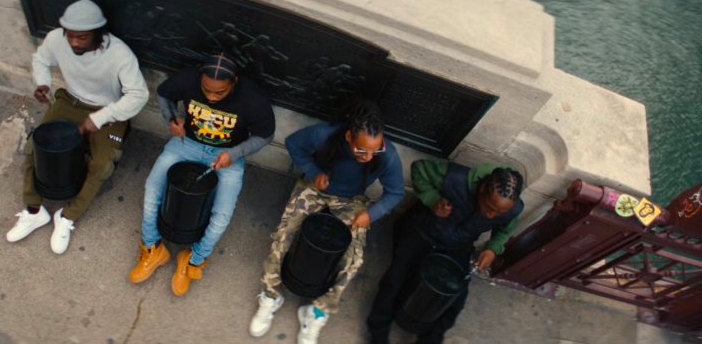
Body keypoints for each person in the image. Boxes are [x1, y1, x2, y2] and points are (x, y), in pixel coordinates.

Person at [248, 101, 404, 344]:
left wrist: (370, 214)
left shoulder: (387, 154)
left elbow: (395, 192)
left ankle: (316, 312)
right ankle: (270, 295)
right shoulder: (324, 135)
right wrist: (313, 172)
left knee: (354, 258)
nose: (369, 156)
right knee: (284, 235)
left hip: (351, 200)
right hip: (315, 188)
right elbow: (293, 144)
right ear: (349, 136)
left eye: (375, 150)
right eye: (362, 150)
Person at [5, 0, 149, 254]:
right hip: (70, 100)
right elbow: (40, 59)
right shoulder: (56, 38)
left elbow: (139, 95)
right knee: (35, 148)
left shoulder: (119, 53)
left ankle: (67, 216)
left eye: (81, 38)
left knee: (101, 164)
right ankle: (34, 211)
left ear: (98, 33)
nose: (73, 42)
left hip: (108, 110)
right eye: (70, 36)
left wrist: (102, 117)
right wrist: (43, 83)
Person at [128, 53, 275, 296]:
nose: (211, 96)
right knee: (153, 190)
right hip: (187, 143)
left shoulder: (252, 97)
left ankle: (194, 259)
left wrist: (236, 153)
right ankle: (153, 248)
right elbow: (164, 93)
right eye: (206, 90)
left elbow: (265, 135)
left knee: (221, 214)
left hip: (228, 155)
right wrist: (171, 118)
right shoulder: (188, 78)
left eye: (219, 92)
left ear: (234, 82)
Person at [366, 160, 525, 344]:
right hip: (422, 232)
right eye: (490, 207)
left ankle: (429, 340)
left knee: (455, 298)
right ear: (482, 189)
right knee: (394, 279)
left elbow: (504, 230)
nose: (491, 215)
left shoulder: (513, 208)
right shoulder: (455, 177)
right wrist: (433, 200)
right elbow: (419, 168)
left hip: (457, 245)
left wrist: (492, 249)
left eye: (499, 212)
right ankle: (378, 333)